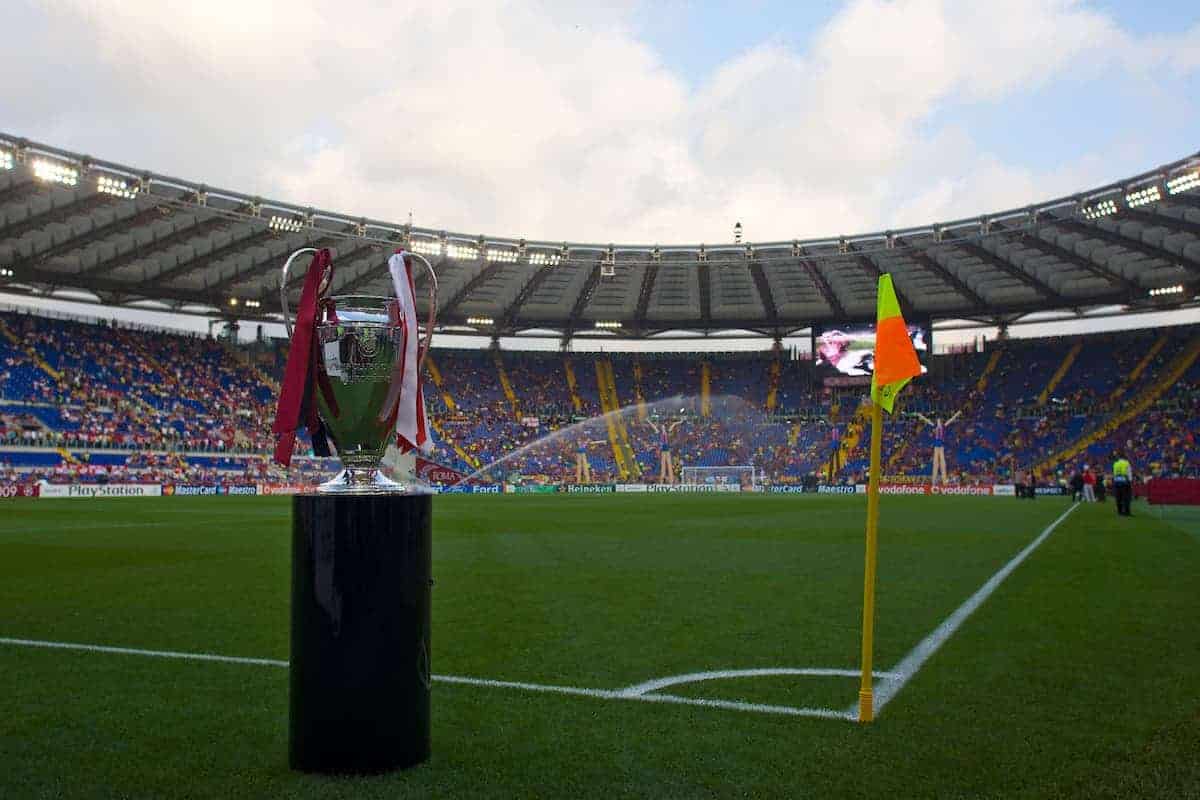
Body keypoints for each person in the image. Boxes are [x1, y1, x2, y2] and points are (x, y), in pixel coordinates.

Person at [915, 411, 961, 485]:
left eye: (939, 420)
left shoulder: (944, 426)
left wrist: (957, 414)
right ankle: (934, 481)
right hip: (936, 446)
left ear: (941, 421)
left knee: (943, 463)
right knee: (935, 463)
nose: (938, 421)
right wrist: (921, 415)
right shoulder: (934, 426)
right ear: (937, 421)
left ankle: (944, 480)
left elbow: (951, 419)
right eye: (938, 420)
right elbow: (927, 420)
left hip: (941, 446)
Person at [1112, 451, 1133, 517]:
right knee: (1126, 498)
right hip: (1125, 482)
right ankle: (1126, 512)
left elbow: (1114, 473)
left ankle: (1120, 512)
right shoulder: (1127, 463)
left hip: (1117, 482)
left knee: (1118, 498)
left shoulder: (1115, 463)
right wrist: (1130, 481)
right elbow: (1129, 473)